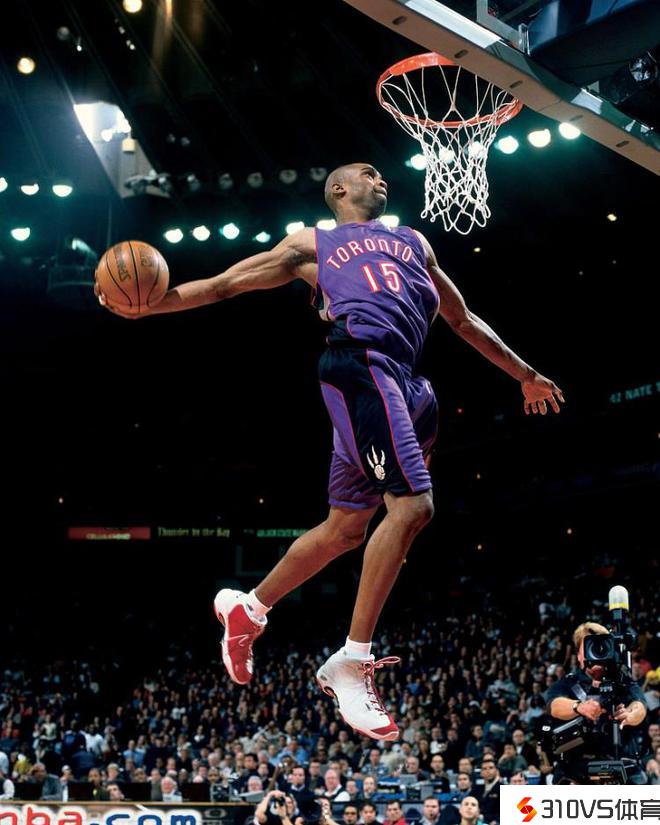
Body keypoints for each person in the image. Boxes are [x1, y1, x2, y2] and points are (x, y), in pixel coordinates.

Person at [97, 162, 564, 741]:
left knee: (345, 529)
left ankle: (249, 607)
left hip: (406, 382)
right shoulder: (312, 244)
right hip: (360, 364)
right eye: (368, 173)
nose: (380, 177)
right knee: (413, 507)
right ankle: (351, 659)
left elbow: (464, 320)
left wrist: (526, 375)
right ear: (339, 189)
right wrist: (148, 306)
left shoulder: (415, 243)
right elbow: (222, 285)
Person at [546, 621, 648, 784]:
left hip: (621, 765)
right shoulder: (568, 683)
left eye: (601, 645)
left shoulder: (623, 681)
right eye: (589, 646)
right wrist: (578, 707)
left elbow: (640, 706)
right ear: (579, 655)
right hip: (576, 770)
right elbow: (554, 705)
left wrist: (629, 714)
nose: (596, 651)